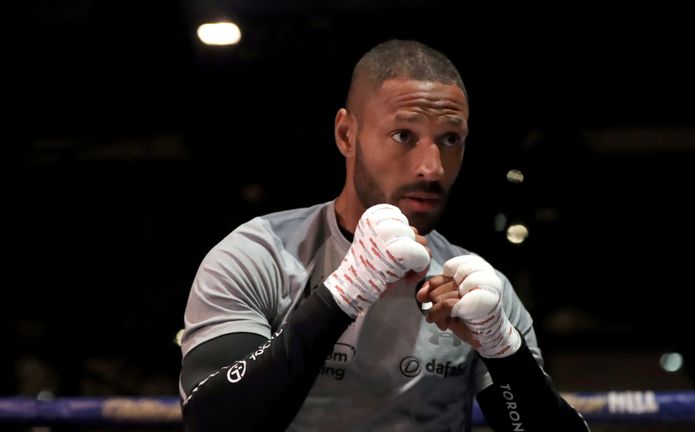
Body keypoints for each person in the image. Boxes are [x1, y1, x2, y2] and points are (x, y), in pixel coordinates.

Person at [178, 39, 589, 431]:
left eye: (450, 140)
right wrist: (341, 295)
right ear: (346, 135)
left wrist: (503, 350)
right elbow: (213, 422)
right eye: (403, 135)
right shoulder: (259, 256)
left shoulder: (477, 289)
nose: (432, 168)